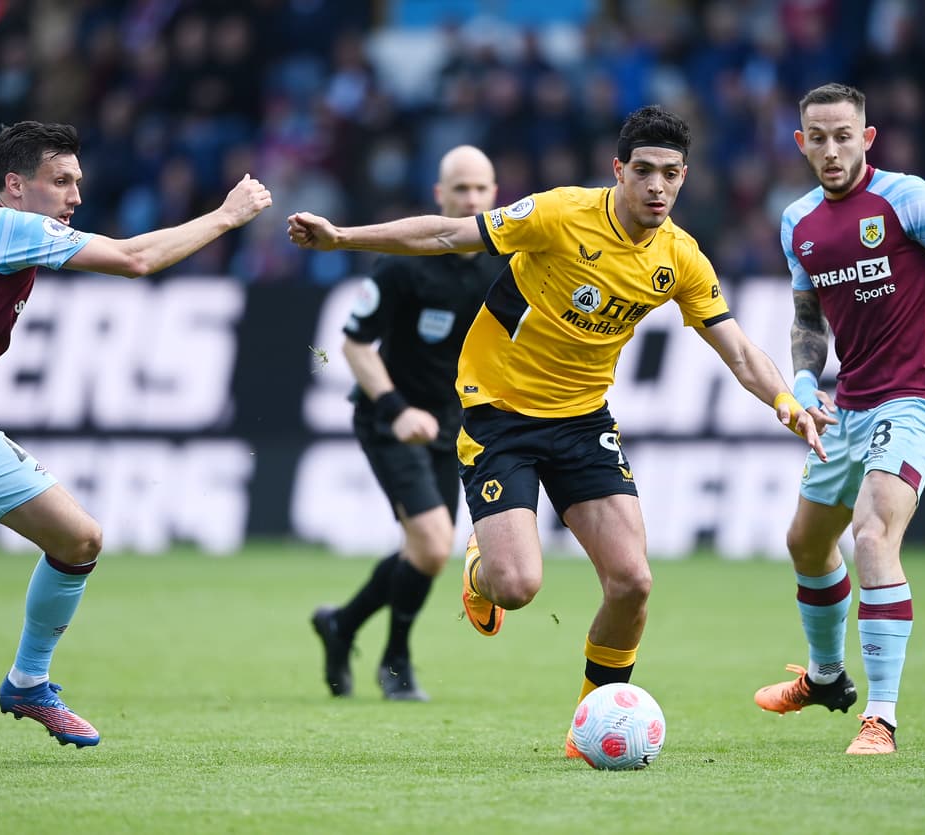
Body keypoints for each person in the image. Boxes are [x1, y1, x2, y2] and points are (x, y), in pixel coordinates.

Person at [289, 106, 826, 758]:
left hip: (583, 420)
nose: (657, 186)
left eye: (671, 174)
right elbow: (446, 233)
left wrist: (784, 400)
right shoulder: (560, 213)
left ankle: (588, 726)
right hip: (498, 413)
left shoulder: (680, 257)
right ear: (619, 170)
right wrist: (342, 237)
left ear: (684, 177)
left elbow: (736, 348)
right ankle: (481, 569)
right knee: (516, 587)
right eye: (645, 171)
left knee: (633, 582)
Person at [0, 121, 271, 764]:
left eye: (77, 182)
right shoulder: (9, 229)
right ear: (15, 185)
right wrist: (227, 216)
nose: (75, 196)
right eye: (60, 181)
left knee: (79, 539)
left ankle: (28, 683)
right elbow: (135, 260)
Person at [754, 83, 925, 755]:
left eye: (844, 136)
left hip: (915, 394)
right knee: (806, 543)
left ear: (867, 138)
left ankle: (881, 717)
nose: (831, 149)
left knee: (873, 535)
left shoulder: (908, 199)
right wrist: (802, 383)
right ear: (801, 143)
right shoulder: (798, 222)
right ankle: (825, 676)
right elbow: (808, 318)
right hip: (848, 403)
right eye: (819, 138)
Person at [310, 146, 509, 702]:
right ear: (440, 195)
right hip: (389, 418)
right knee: (432, 543)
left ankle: (342, 624)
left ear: (495, 195)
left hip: (455, 424)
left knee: (428, 550)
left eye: (481, 189)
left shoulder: (506, 264)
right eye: (461, 189)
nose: (471, 199)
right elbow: (354, 346)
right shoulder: (403, 263)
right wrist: (398, 410)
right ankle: (395, 660)